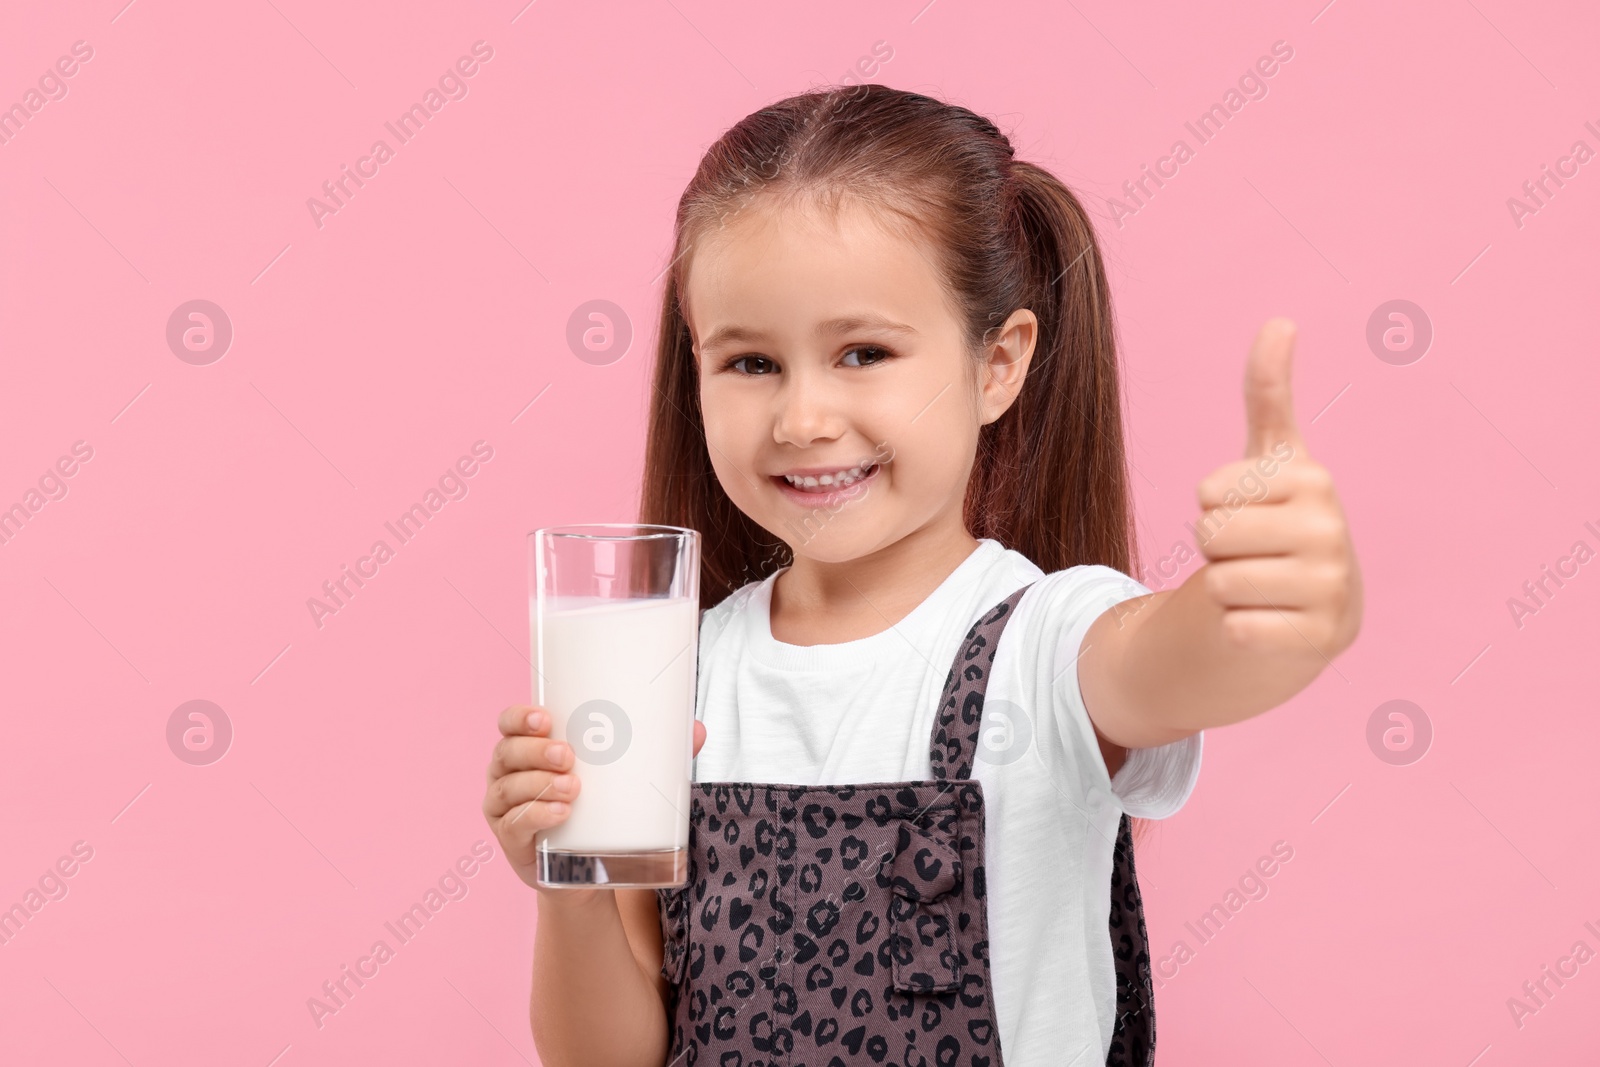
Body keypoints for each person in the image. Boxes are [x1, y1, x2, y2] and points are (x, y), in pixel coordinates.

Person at [483, 83, 1362, 1067]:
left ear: (998, 363)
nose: (802, 418)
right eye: (749, 363)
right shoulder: (674, 678)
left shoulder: (1047, 645)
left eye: (862, 352)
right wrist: (570, 874)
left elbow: (1190, 655)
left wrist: (1276, 604)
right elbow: (605, 1057)